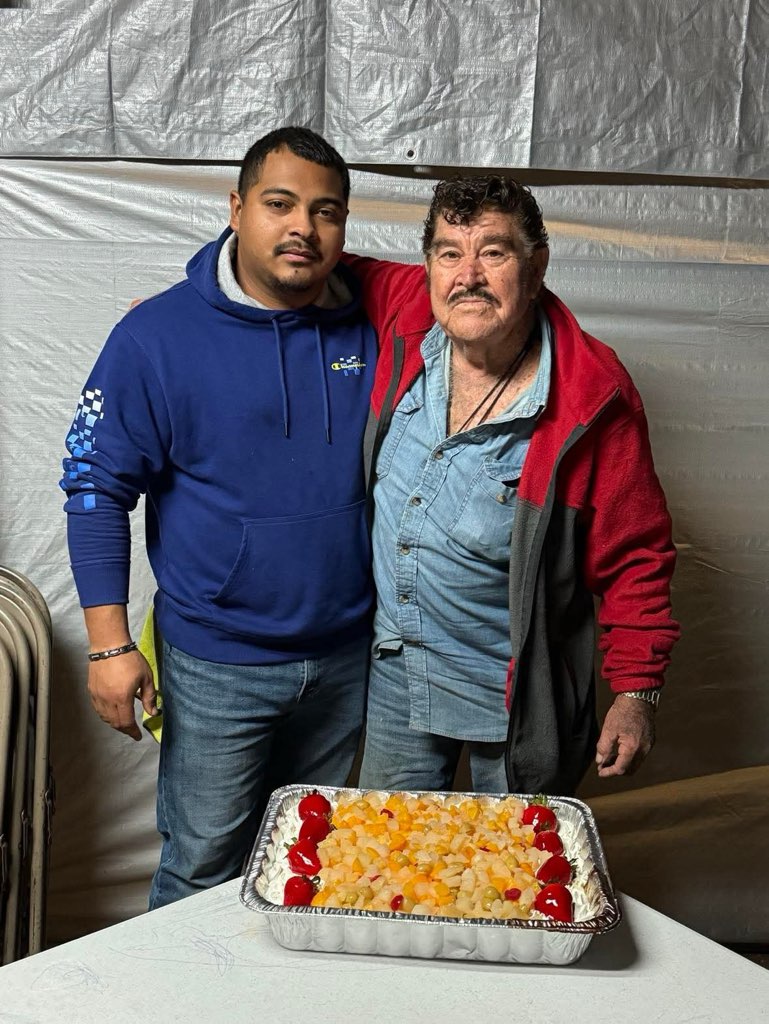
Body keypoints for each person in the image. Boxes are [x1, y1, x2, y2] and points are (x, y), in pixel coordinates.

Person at [60, 127, 378, 908]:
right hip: (216, 662)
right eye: (279, 204)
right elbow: (96, 485)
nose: (303, 226)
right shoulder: (155, 337)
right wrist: (107, 647)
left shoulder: (378, 327)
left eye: (326, 210)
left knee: (316, 867)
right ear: (235, 208)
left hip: (348, 658)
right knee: (204, 868)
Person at [344, 175, 680, 795]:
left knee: (509, 881)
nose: (467, 274)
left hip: (515, 695)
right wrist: (196, 307)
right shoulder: (408, 317)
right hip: (401, 672)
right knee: (389, 870)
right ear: (428, 266)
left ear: (537, 264)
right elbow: (298, 255)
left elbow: (635, 556)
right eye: (449, 253)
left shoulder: (591, 395)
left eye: (493, 252)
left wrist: (637, 690)